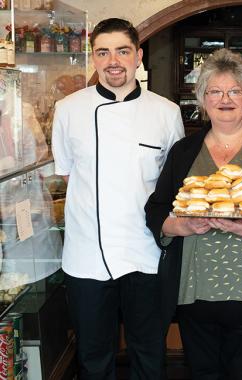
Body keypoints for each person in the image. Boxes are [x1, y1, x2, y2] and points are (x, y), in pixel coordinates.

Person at [144, 48, 242, 379]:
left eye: (234, 90)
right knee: (202, 373)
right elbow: (157, 207)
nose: (225, 99)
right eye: (214, 91)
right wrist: (180, 226)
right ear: (203, 99)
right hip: (193, 292)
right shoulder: (185, 150)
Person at [51, 18, 184, 379]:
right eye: (103, 52)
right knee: (94, 355)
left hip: (146, 251)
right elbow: (66, 174)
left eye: (122, 51)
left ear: (138, 56)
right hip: (87, 254)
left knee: (149, 352)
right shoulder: (68, 110)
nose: (113, 60)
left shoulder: (166, 112)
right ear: (93, 58)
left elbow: (172, 186)